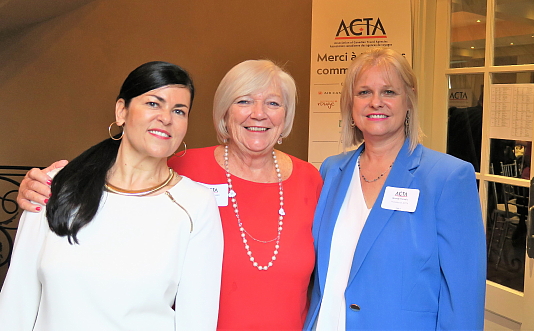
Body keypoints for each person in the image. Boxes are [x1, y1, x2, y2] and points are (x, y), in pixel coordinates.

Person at [16, 59, 323, 330]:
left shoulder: (311, 179)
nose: (259, 114)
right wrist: (48, 185)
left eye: (273, 103)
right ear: (224, 114)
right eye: (244, 101)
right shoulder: (182, 168)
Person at [1, 61, 224, 330]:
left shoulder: (195, 204)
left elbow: (197, 320)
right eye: (153, 103)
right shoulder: (56, 186)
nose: (166, 117)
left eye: (179, 110)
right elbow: (16, 303)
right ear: (121, 111)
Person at [303, 48, 486, 330]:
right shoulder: (331, 171)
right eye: (364, 92)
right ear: (350, 105)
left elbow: (463, 297)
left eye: (389, 92)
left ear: (409, 101)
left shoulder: (448, 178)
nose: (376, 102)